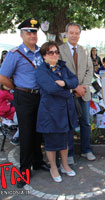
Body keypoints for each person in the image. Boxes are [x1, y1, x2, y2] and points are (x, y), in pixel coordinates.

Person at [0, 18, 49, 188]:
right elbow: (1, 77)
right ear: (22, 34)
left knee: (38, 132)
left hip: (39, 96)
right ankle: (24, 171)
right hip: (24, 97)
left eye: (34, 31)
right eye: (28, 31)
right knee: (26, 135)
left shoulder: (40, 53)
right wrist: (16, 88)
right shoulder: (15, 54)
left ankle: (38, 161)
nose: (32, 35)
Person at [36, 41, 78, 183]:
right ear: (44, 56)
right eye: (50, 52)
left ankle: (65, 165)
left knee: (65, 140)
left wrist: (65, 83)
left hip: (65, 111)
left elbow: (75, 81)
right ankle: (53, 167)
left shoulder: (62, 66)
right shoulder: (41, 70)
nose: (54, 55)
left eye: (56, 52)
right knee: (51, 142)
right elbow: (50, 89)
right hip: (50, 112)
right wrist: (68, 91)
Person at [59, 23, 96, 163]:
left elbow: (89, 70)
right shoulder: (60, 50)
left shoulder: (84, 50)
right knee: (69, 124)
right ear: (66, 34)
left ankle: (86, 150)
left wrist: (83, 87)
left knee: (85, 122)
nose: (74, 35)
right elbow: (60, 72)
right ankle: (69, 154)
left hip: (84, 93)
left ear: (79, 34)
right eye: (71, 32)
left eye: (76, 33)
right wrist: (74, 88)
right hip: (68, 93)